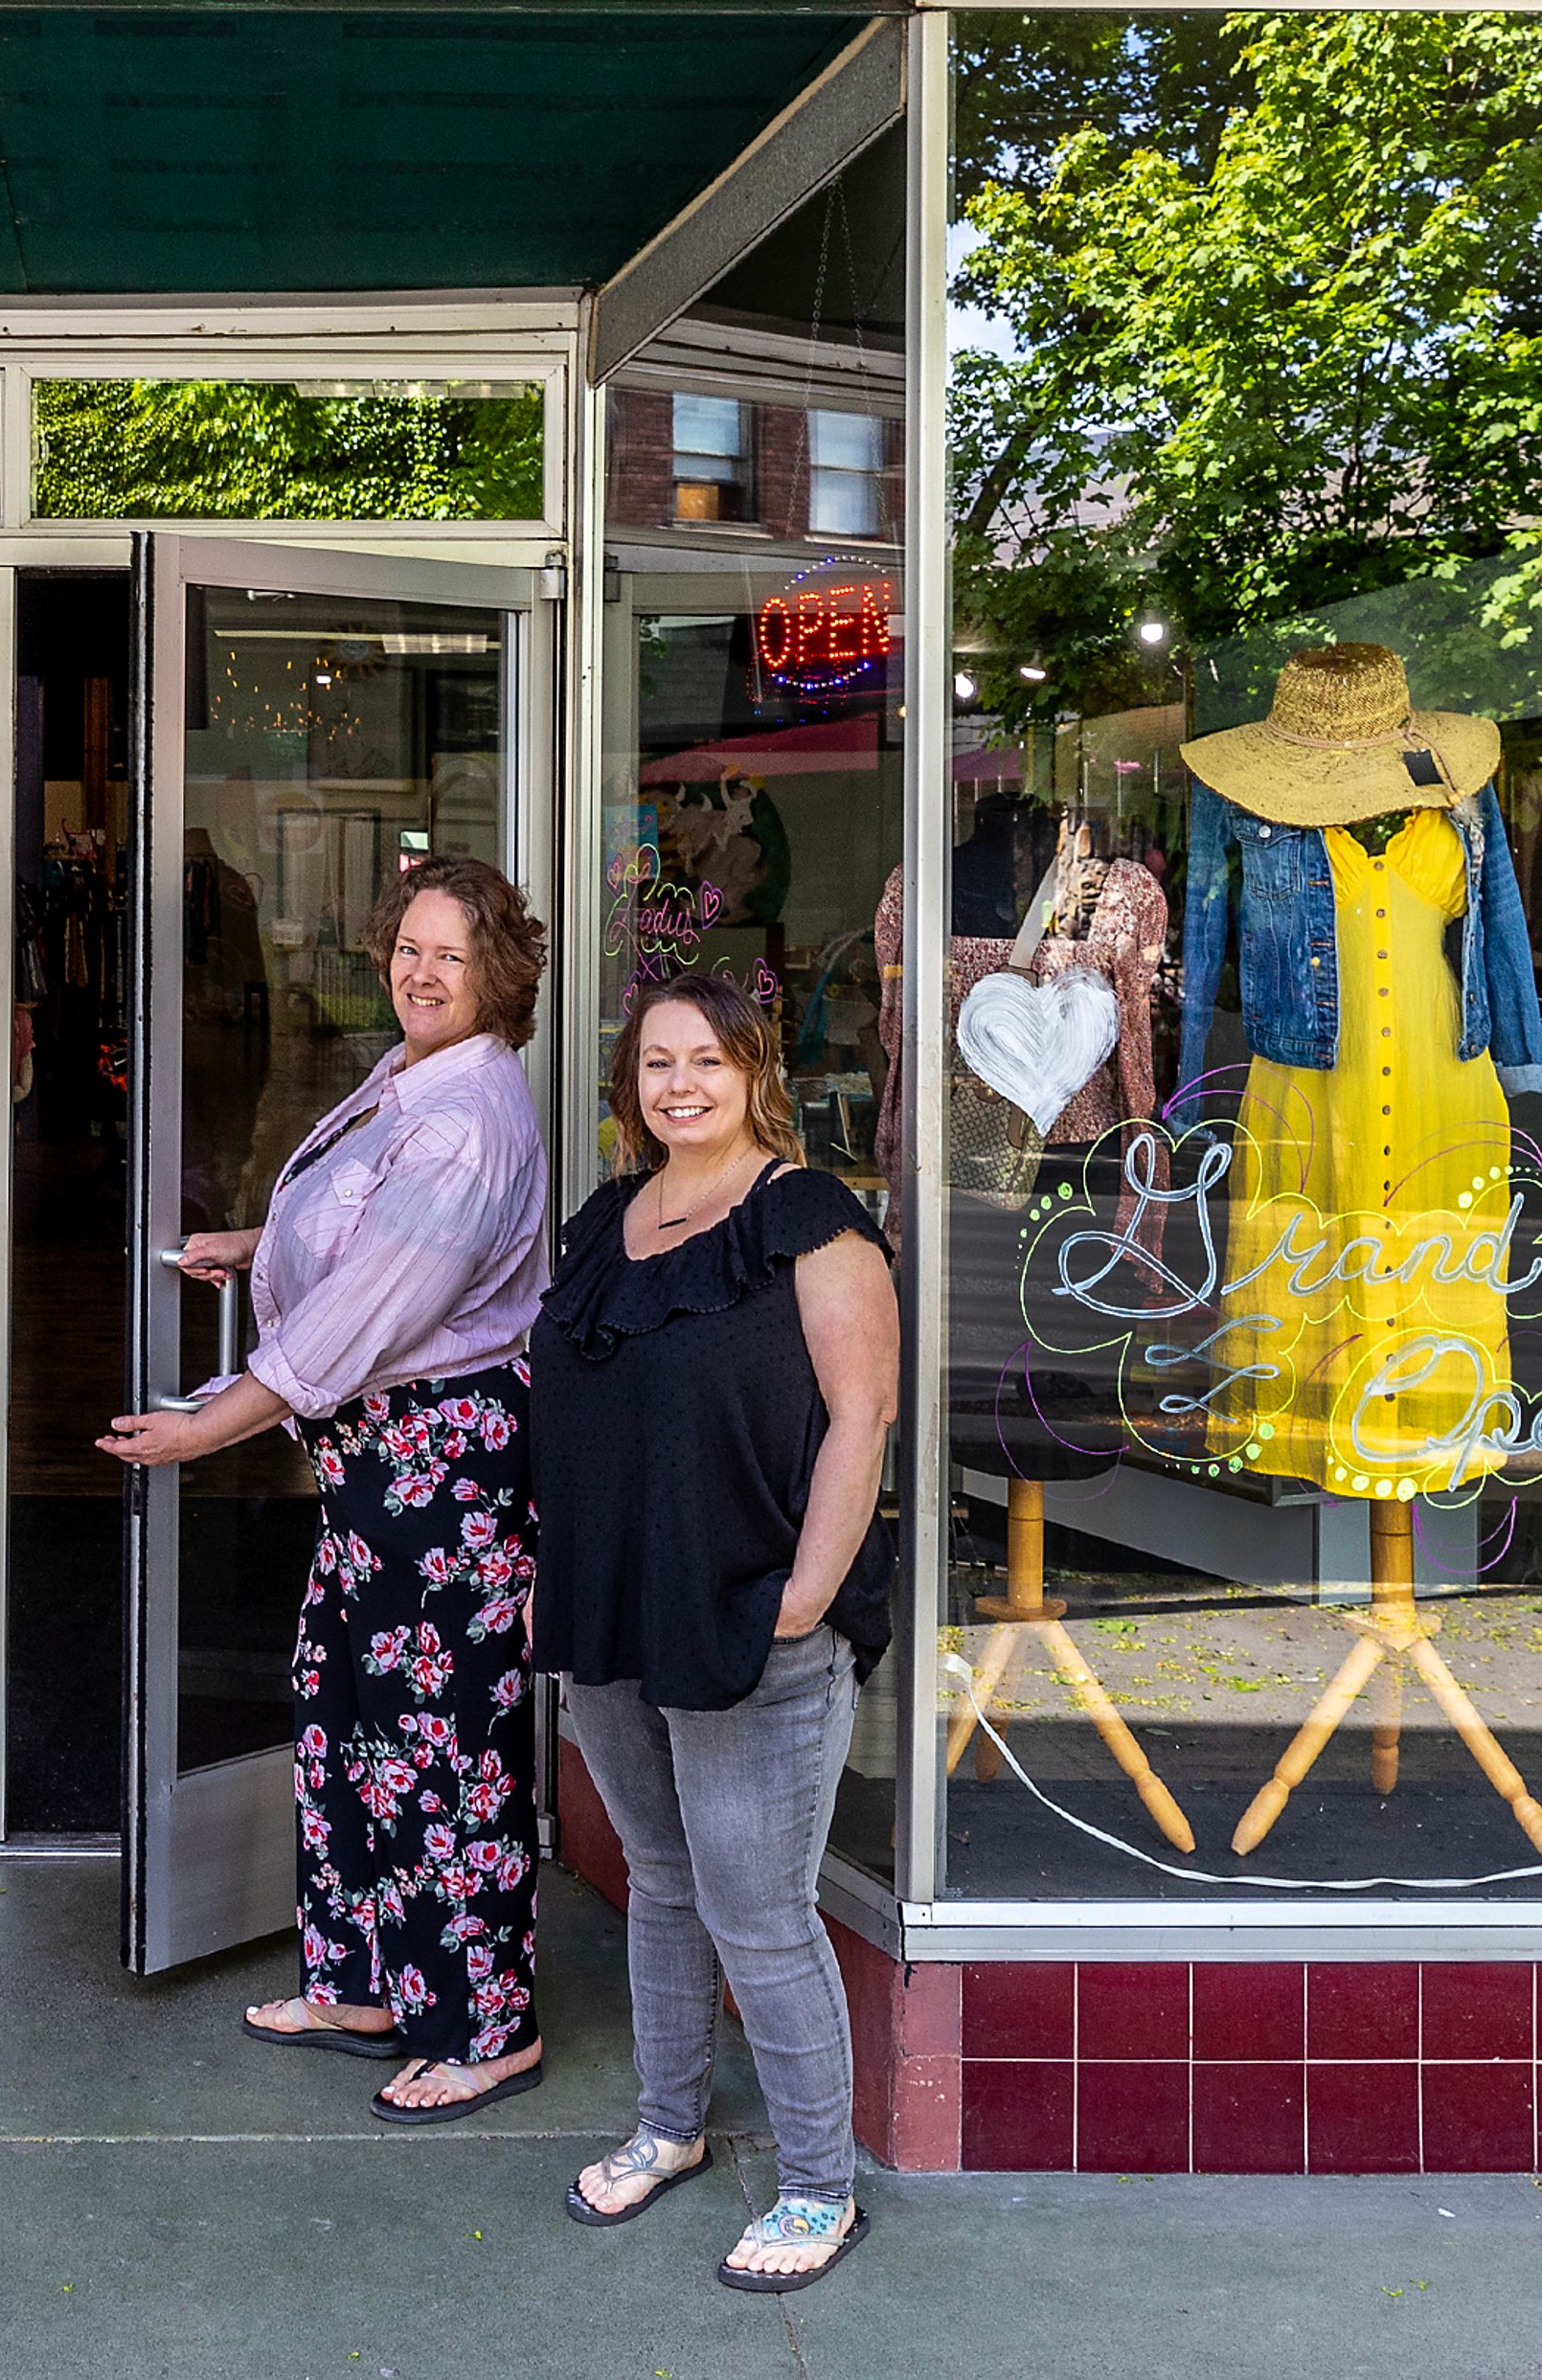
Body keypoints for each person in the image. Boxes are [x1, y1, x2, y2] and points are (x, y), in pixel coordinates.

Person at [99, 855, 551, 2123]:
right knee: (346, 1707)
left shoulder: (470, 1116)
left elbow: (352, 1327)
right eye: (406, 945)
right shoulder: (417, 1074)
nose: (418, 971)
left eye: (448, 954)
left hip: (437, 1463)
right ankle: (361, 1977)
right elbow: (364, 1228)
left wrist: (202, 1432)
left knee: (444, 1744)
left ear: (498, 973)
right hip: (375, 1461)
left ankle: (486, 2026)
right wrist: (257, 1244)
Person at [532, 970, 896, 2293]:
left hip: (753, 1617)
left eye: (707, 1061)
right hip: (616, 1615)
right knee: (662, 1880)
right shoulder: (602, 1223)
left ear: (755, 1073)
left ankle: (818, 2188)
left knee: (759, 1909)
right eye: (657, 1064)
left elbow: (862, 1419)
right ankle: (669, 2123)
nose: (679, 1083)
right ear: (631, 1087)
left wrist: (799, 1600)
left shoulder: (806, 1219)